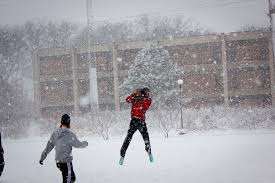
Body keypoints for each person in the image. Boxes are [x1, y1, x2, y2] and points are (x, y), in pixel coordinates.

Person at [39, 114, 88, 183]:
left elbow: (48, 147)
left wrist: (42, 157)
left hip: (58, 162)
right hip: (66, 162)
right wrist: (85, 143)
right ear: (68, 123)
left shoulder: (55, 133)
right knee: (68, 180)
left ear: (61, 122)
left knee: (72, 178)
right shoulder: (69, 134)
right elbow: (78, 145)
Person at [119, 87, 153, 165]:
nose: (148, 93)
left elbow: (145, 106)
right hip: (134, 120)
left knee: (146, 138)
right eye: (146, 92)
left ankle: (149, 153)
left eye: (148, 92)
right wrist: (135, 95)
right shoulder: (135, 97)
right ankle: (122, 155)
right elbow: (127, 99)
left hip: (141, 122)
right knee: (128, 138)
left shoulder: (147, 99)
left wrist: (141, 98)